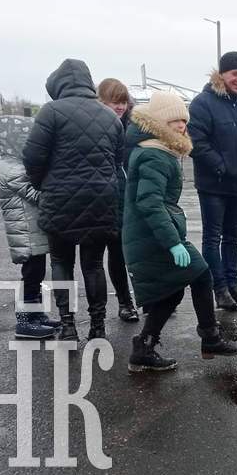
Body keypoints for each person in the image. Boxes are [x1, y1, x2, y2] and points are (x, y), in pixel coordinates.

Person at [123, 92, 237, 372]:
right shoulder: (154, 153)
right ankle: (210, 338)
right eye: (174, 120)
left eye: (183, 120)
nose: (181, 126)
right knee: (202, 274)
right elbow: (150, 203)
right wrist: (173, 243)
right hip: (154, 236)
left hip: (151, 234)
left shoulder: (157, 149)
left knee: (171, 293)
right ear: (158, 122)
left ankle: (144, 347)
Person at [23, 59, 124, 341]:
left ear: (59, 85)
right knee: (93, 264)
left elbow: (32, 158)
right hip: (101, 200)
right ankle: (98, 326)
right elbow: (118, 159)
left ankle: (68, 326)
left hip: (60, 199)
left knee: (61, 261)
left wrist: (43, 183)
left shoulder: (51, 112)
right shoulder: (109, 117)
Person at [188, 51, 237, 311]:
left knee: (233, 238)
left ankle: (232, 285)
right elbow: (197, 142)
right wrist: (221, 166)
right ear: (222, 74)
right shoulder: (203, 103)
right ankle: (219, 288)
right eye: (235, 73)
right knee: (213, 238)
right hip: (213, 185)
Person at [0, 115, 60, 338]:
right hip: (25, 234)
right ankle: (24, 322)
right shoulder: (12, 169)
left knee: (36, 275)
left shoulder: (14, 164)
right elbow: (36, 195)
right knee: (32, 276)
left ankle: (35, 315)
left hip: (31, 231)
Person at [97, 78, 139, 322]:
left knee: (131, 252)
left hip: (129, 195)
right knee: (113, 252)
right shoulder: (95, 125)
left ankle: (147, 298)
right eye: (115, 101)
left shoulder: (134, 125)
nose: (120, 106)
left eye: (123, 101)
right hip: (103, 198)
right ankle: (125, 302)